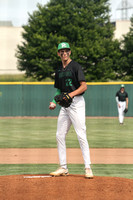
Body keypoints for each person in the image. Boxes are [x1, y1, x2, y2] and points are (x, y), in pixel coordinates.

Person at [49, 42, 93, 178]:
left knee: (81, 134)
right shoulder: (58, 71)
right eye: (61, 51)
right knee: (59, 135)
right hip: (64, 106)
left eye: (66, 50)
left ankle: (88, 168)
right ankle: (63, 167)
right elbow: (58, 89)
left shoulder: (76, 66)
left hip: (77, 103)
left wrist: (70, 95)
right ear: (58, 53)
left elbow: (84, 86)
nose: (64, 53)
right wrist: (54, 101)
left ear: (70, 52)